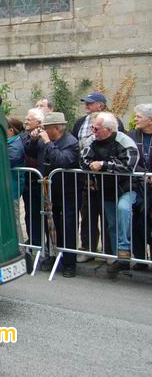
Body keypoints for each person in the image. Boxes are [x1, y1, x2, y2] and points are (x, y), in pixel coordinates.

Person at [80, 112, 141, 275]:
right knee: (112, 223)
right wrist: (93, 165)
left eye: (96, 128)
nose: (93, 131)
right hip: (106, 189)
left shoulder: (125, 141)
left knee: (123, 211)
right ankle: (118, 260)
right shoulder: (92, 140)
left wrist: (103, 165)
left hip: (126, 188)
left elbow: (129, 166)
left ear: (108, 129)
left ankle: (124, 253)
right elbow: (83, 160)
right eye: (92, 127)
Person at [25, 112, 80, 277]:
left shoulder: (71, 142)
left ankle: (70, 263)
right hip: (48, 191)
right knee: (50, 225)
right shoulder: (43, 140)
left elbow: (62, 161)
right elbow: (29, 152)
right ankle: (52, 255)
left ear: (56, 128)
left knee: (68, 227)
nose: (43, 131)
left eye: (46, 128)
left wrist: (48, 142)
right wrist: (33, 140)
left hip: (67, 191)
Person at [72, 92, 124, 262]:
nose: (86, 105)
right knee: (87, 215)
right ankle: (88, 248)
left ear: (101, 105)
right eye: (86, 103)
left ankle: (109, 252)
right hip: (87, 178)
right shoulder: (80, 122)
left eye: (90, 103)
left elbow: (118, 147)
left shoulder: (114, 122)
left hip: (108, 180)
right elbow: (75, 146)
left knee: (109, 216)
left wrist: (102, 165)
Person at [128, 103, 152, 270]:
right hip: (138, 185)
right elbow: (129, 157)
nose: (135, 119)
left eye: (139, 116)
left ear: (150, 120)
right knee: (137, 221)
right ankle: (141, 259)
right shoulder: (132, 136)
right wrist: (144, 174)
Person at [20, 108, 46, 249]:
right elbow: (24, 150)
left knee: (44, 214)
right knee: (30, 214)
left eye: (29, 119)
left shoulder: (45, 136)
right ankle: (34, 242)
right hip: (28, 181)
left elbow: (38, 153)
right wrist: (32, 140)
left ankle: (47, 246)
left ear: (39, 122)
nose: (26, 121)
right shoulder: (25, 136)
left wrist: (36, 140)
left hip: (42, 181)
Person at [7, 117, 26, 242]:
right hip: (8, 187)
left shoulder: (14, 146)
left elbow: (6, 161)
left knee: (13, 219)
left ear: (10, 130)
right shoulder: (9, 143)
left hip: (12, 188)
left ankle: (20, 248)